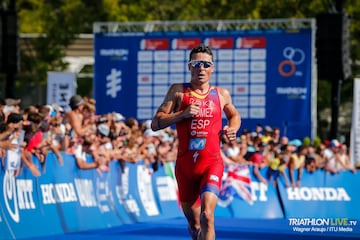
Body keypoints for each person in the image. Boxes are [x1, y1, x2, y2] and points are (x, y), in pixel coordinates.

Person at [151, 44, 241, 240]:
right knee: (195, 225)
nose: (201, 68)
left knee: (207, 216)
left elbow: (234, 116)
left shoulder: (221, 94)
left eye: (206, 64)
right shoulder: (178, 91)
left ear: (212, 68)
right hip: (185, 167)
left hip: (211, 163)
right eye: (197, 63)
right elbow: (155, 123)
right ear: (189, 66)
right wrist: (181, 114)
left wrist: (232, 129)